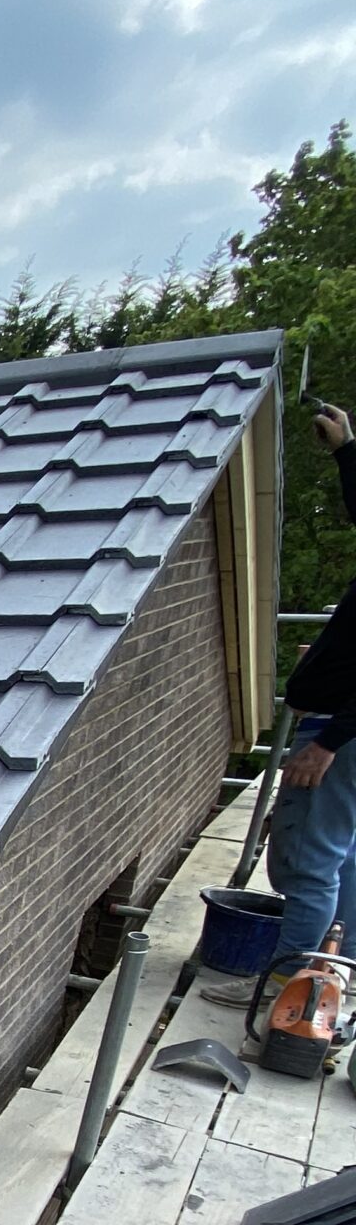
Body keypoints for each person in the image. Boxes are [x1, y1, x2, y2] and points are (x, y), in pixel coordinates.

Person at [264, 400, 356, 985]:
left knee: (308, 859)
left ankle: (287, 984)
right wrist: (347, 449)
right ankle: (336, 968)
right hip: (341, 728)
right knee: (343, 851)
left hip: (340, 734)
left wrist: (326, 744)